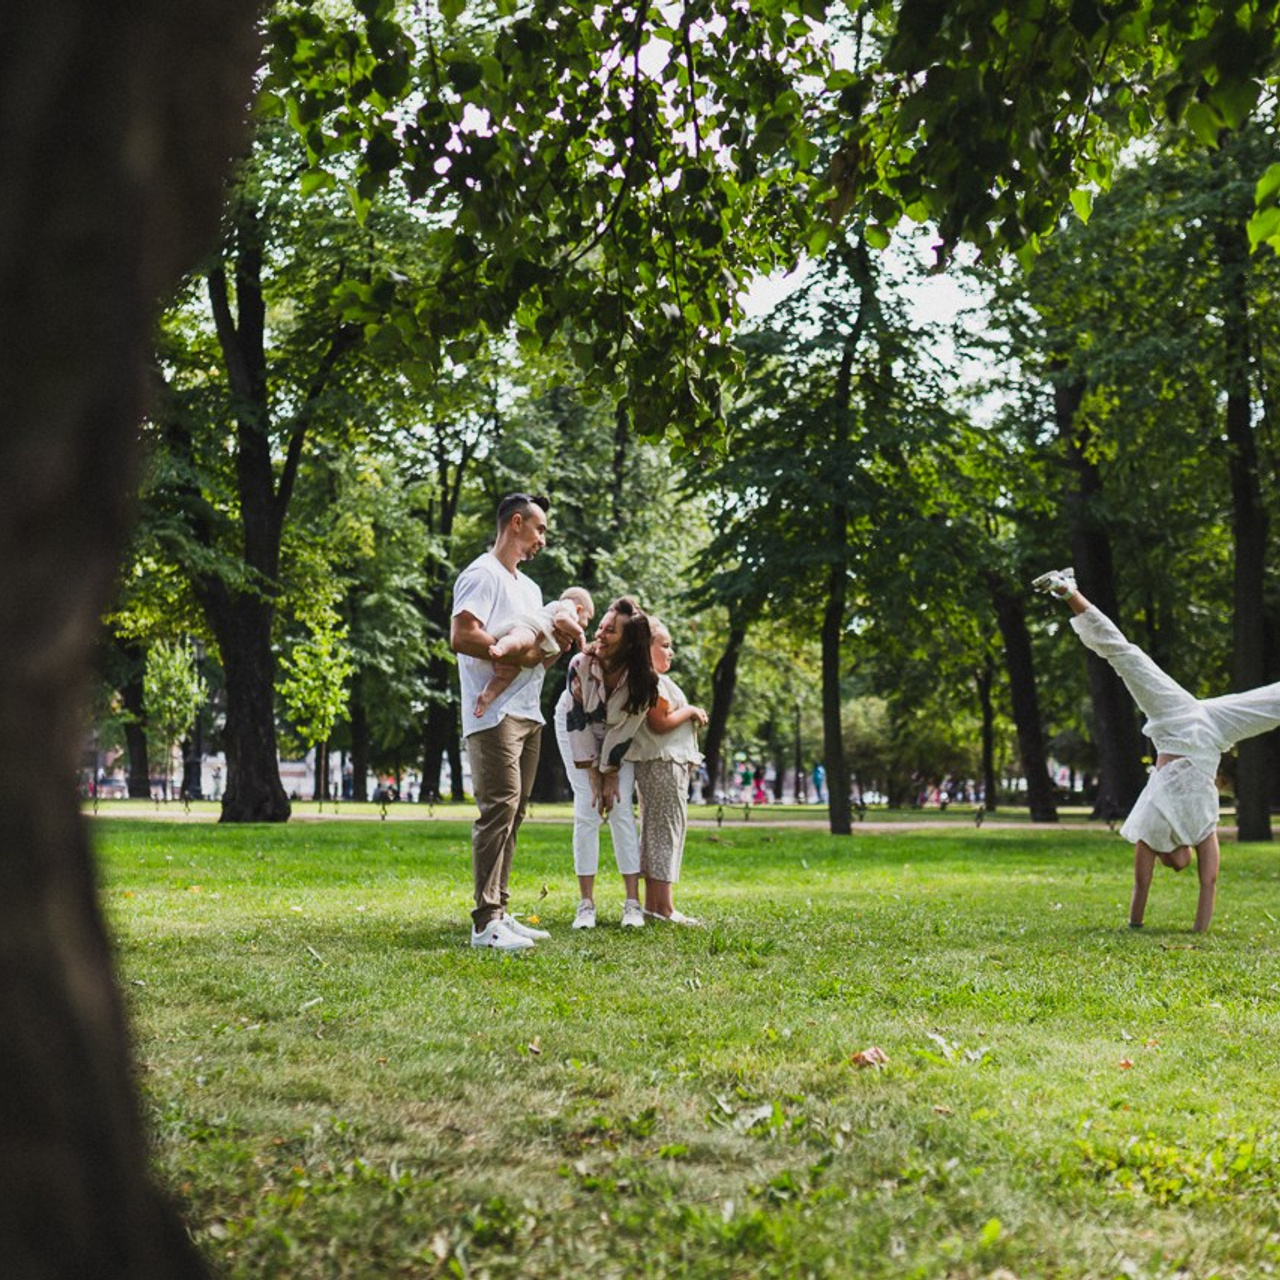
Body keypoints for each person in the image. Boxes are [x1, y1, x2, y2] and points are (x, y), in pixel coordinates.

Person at [1034, 566, 1280, 932]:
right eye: (1180, 862)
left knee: (1127, 657)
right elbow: (1204, 884)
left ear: (1169, 853)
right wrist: (1196, 932)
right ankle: (1066, 589)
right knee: (1272, 703)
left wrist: (1138, 925)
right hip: (1210, 728)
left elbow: (1149, 886)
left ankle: (1066, 589)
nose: (1179, 863)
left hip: (1182, 718)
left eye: (1174, 862)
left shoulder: (1155, 827)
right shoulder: (1197, 827)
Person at [451, 493, 573, 952]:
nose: (543, 539)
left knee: (515, 812)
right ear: (516, 523)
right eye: (539, 529)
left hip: (528, 710)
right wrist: (517, 653)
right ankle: (484, 923)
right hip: (492, 712)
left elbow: (541, 643)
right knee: (497, 808)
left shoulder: (531, 589)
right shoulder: (482, 574)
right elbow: (461, 636)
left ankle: (500, 909)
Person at [562, 599, 658, 929]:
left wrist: (610, 773)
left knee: (618, 808)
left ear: (629, 641)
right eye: (601, 626)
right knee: (588, 807)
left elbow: (625, 729)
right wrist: (593, 774)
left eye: (610, 631)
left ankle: (632, 904)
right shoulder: (580, 664)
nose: (600, 634)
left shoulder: (644, 680)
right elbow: (577, 721)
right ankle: (585, 904)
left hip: (619, 740)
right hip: (577, 729)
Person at [627, 618, 708, 925]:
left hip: (664, 765)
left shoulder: (655, 680)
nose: (671, 652)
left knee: (658, 831)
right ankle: (664, 907)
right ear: (646, 649)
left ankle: (654, 904)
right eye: (665, 645)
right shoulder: (652, 682)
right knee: (665, 832)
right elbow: (659, 723)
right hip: (663, 765)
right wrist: (690, 711)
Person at [474, 586, 594, 716]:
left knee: (506, 675)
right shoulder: (568, 607)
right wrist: (580, 634)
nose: (585, 624)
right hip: (529, 628)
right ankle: (501, 648)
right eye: (587, 618)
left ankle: (486, 696)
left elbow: (541, 664)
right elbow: (560, 620)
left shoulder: (563, 629)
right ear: (579, 609)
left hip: (530, 646)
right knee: (519, 640)